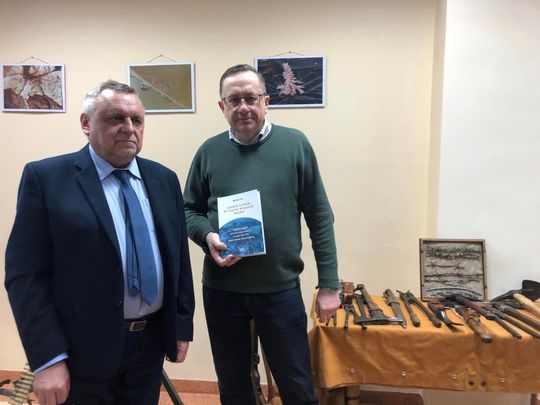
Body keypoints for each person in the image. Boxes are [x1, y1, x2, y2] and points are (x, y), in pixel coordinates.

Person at [4, 80, 195, 405]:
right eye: (115, 118)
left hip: (149, 348)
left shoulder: (163, 179)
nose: (129, 128)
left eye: (137, 120)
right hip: (80, 352)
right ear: (86, 123)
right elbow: (26, 276)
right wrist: (48, 358)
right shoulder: (47, 179)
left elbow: (178, 258)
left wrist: (180, 325)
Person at [183, 64, 340, 404]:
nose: (243, 107)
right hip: (222, 291)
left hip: (279, 290)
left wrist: (329, 285)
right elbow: (188, 210)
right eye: (233, 99)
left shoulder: (295, 144)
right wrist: (207, 236)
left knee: (297, 387)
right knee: (234, 389)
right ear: (222, 106)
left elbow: (319, 216)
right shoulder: (209, 151)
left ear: (266, 102)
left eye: (250, 98)